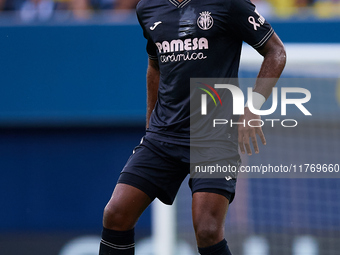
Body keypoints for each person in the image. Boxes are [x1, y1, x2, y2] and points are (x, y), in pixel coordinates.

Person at [99, 0, 286, 254]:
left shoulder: (227, 4)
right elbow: (155, 66)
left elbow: (276, 52)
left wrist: (252, 108)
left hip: (215, 137)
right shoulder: (148, 8)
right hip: (164, 135)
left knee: (207, 230)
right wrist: (150, 125)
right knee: (116, 214)